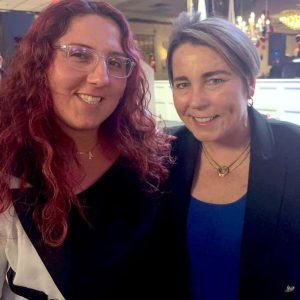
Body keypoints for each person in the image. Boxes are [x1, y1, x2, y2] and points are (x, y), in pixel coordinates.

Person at [0, 0, 173, 299]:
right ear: (41, 63)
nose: (100, 78)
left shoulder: (147, 156)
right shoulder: (9, 166)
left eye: (116, 62)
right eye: (79, 55)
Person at [165, 12, 300, 299]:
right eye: (182, 84)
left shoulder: (293, 150)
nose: (196, 101)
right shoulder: (165, 155)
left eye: (214, 80)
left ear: (249, 84)